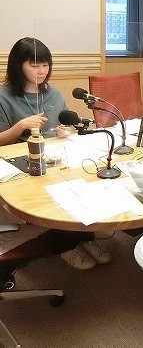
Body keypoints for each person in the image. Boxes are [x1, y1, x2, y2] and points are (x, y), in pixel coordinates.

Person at [0, 37, 112, 270]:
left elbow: (65, 123)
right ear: (18, 66)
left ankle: (85, 237)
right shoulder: (4, 96)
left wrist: (65, 130)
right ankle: (65, 246)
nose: (42, 71)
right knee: (54, 196)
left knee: (81, 183)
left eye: (45, 65)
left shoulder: (53, 92)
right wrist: (20, 126)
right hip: (22, 161)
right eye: (34, 65)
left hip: (55, 156)